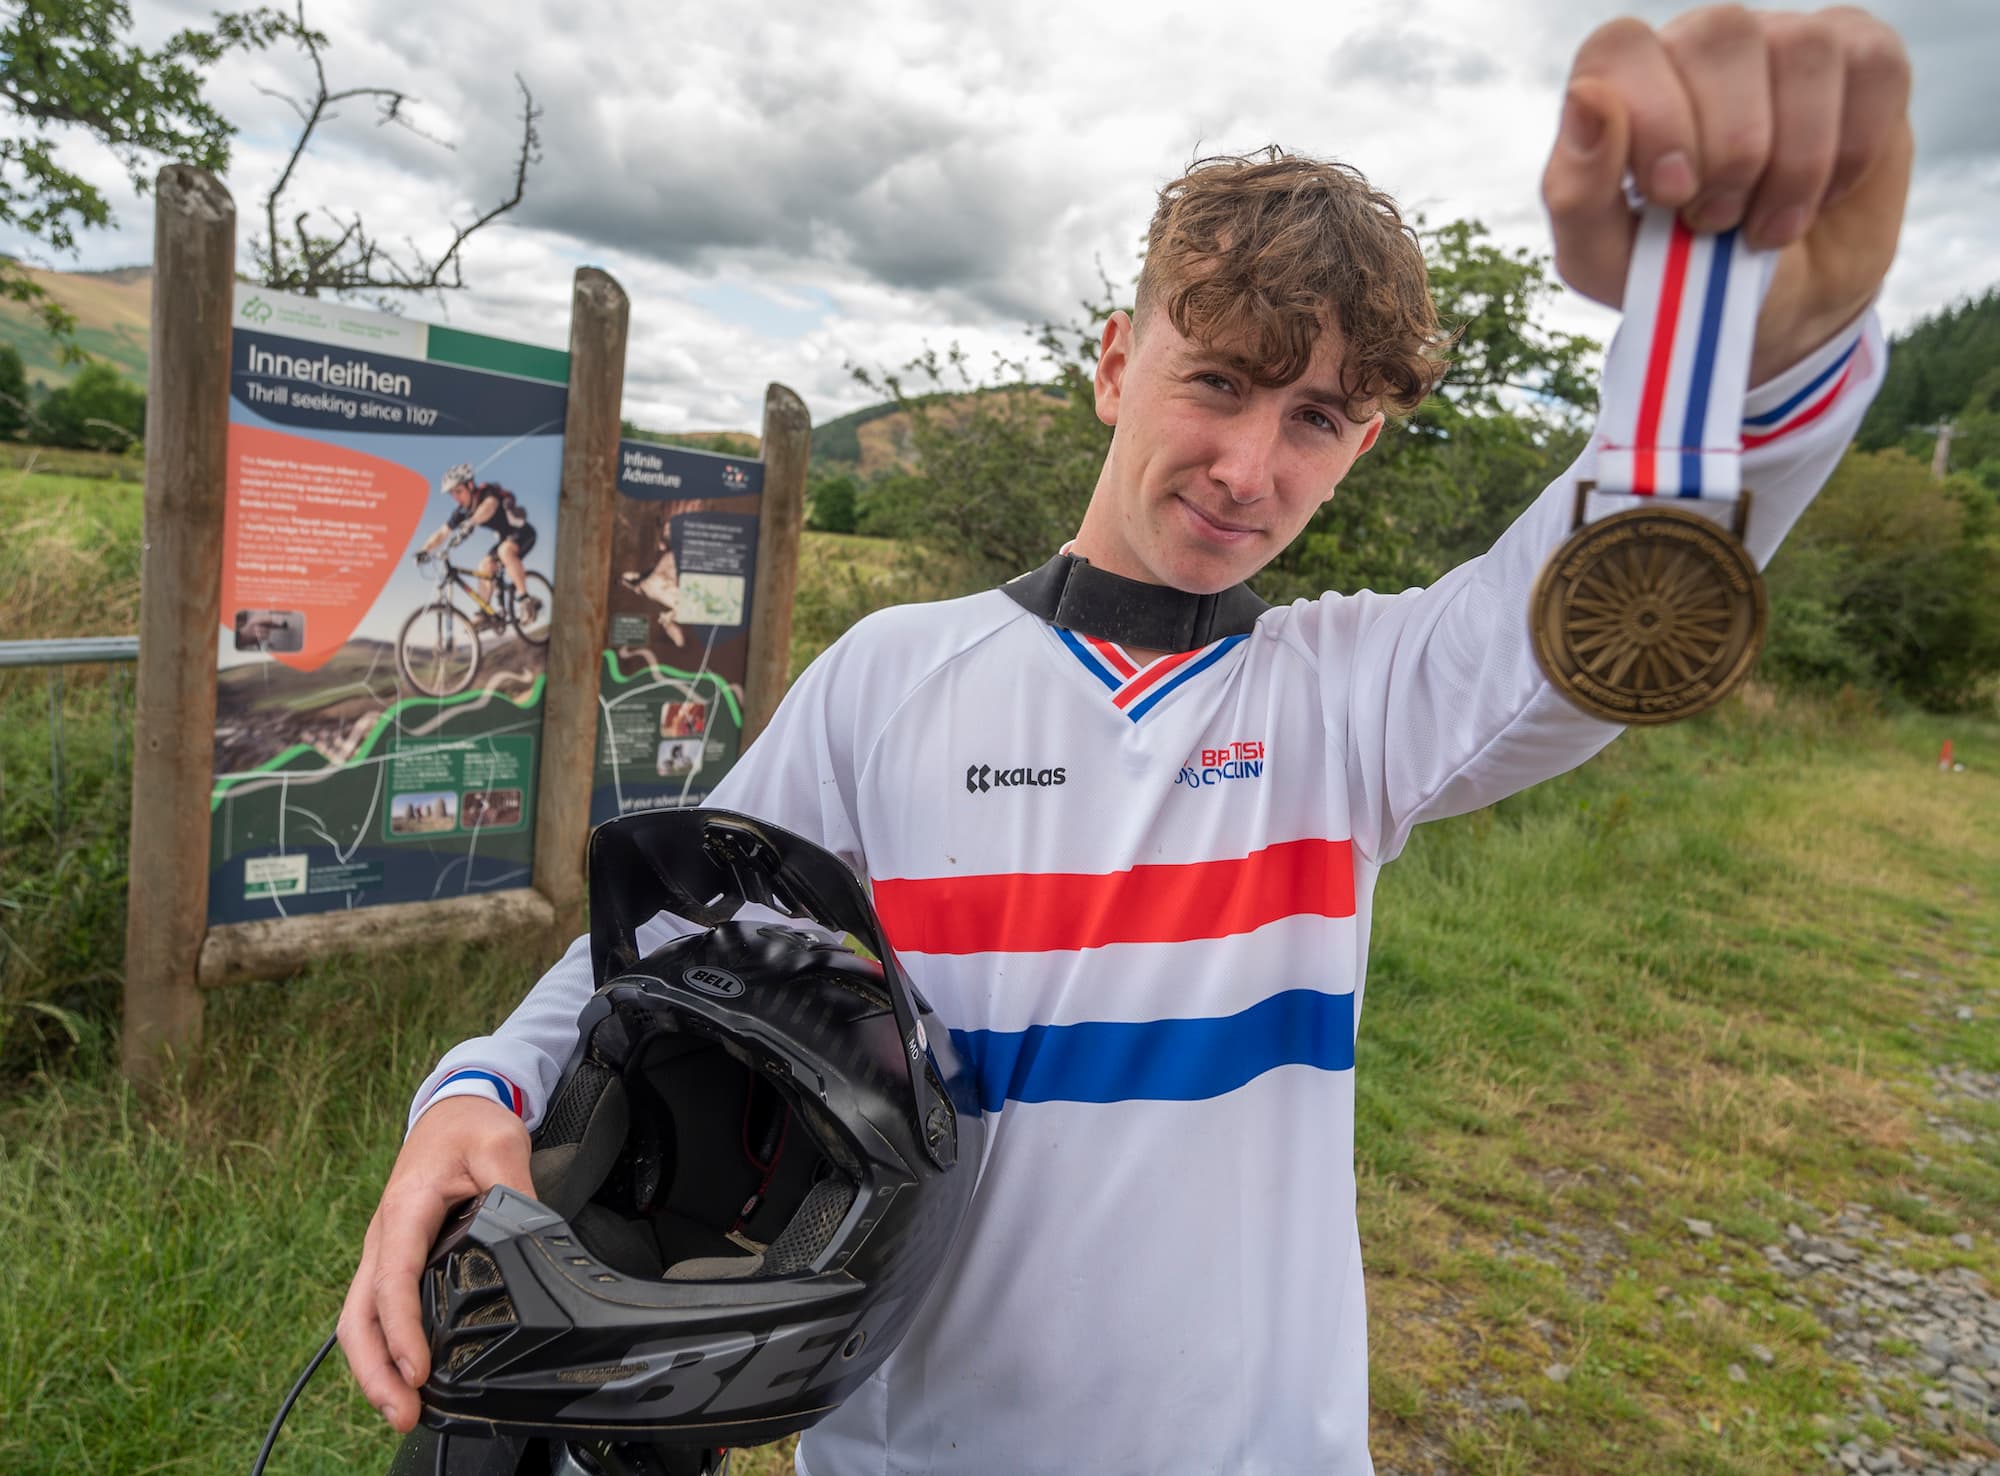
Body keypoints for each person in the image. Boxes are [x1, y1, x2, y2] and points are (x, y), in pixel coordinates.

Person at [340, 9, 1911, 1471]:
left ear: (1360, 446)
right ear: (1114, 362)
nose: (1246, 463)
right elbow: (666, 951)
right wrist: (477, 1090)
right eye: (1216, 382)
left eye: (1315, 419)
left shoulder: (1352, 696)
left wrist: (1762, 343)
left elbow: (1606, 607)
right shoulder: (893, 676)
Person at [416, 462, 541, 624]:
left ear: (470, 485)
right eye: (452, 494)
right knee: (484, 565)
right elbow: (442, 533)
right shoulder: (461, 511)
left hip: (523, 532)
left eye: (459, 491)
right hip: (505, 538)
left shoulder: (487, 492)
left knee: (505, 551)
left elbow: (489, 507)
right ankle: (485, 612)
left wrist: (471, 522)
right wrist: (424, 550)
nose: (456, 497)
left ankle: (526, 600)